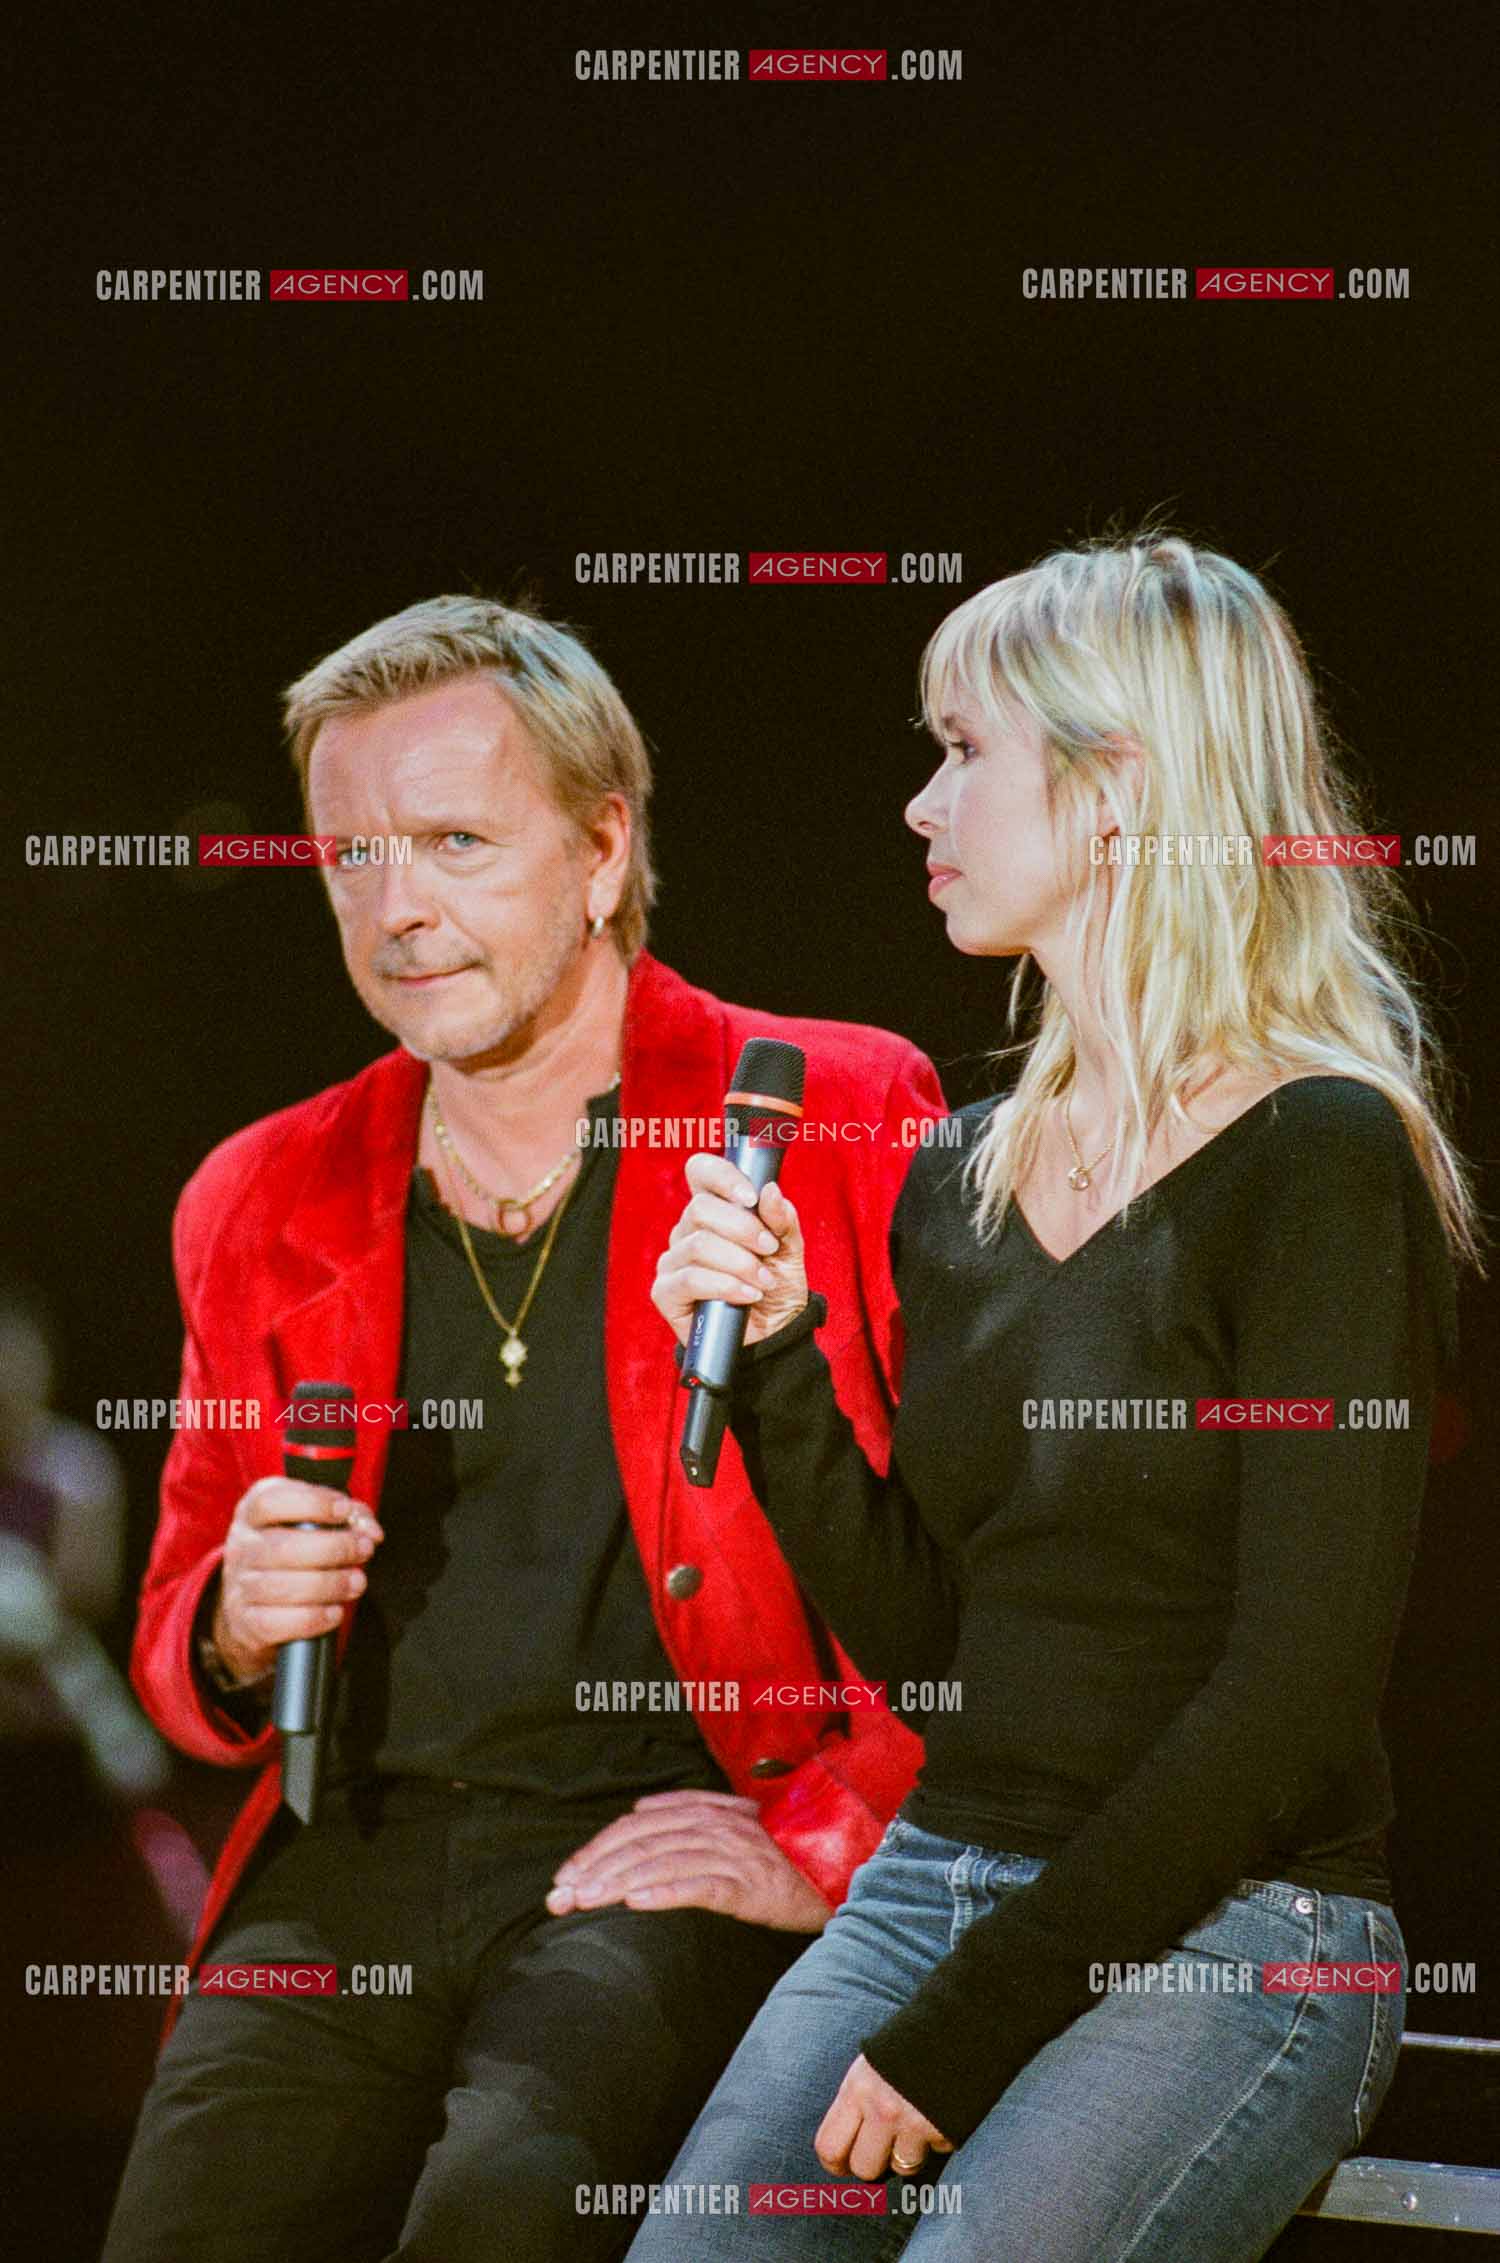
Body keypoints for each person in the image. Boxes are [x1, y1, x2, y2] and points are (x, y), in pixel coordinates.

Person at [636, 532, 1480, 2262]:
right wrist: (782, 1358)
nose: (918, 809)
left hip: (1247, 1923)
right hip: (942, 1878)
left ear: (1116, 791)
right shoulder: (957, 1174)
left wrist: (970, 2024)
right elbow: (949, 1638)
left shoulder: (1319, 1154)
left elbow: (1292, 1696)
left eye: (962, 753)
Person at [102, 595, 945, 2263]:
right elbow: (170, 1638)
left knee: (504, 2213)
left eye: (456, 841)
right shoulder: (261, 1190)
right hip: (352, 1850)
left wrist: (831, 1830)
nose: (396, 907)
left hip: (660, 1837)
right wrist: (227, 1625)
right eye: (350, 856)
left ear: (605, 849)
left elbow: (990, 1551)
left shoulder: (836, 1111)